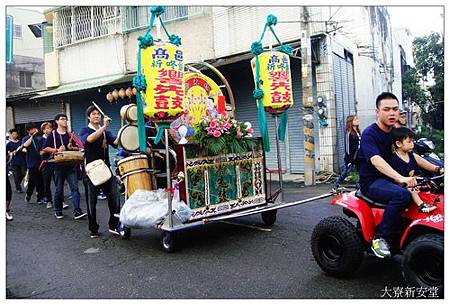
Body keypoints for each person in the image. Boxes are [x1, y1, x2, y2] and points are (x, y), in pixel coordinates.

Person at [357, 92, 417, 259]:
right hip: (373, 182)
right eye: (387, 109)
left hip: (391, 179)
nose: (392, 113)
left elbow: (411, 154)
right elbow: (376, 160)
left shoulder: (395, 132)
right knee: (402, 195)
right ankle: (381, 238)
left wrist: (437, 169)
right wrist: (401, 178)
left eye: (395, 109)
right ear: (378, 112)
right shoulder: (370, 134)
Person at [80, 105, 120, 238]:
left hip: (106, 169)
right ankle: (93, 229)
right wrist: (104, 127)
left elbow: (116, 142)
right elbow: (89, 140)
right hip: (92, 171)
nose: (96, 116)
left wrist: (125, 129)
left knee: (114, 198)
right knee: (92, 201)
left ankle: (114, 225)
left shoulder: (105, 132)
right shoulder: (85, 130)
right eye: (93, 114)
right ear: (88, 117)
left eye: (98, 114)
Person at [42, 114, 87, 220]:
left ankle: (77, 211)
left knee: (75, 188)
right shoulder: (53, 135)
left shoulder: (69, 134)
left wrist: (73, 148)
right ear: (57, 122)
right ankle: (58, 210)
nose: (65, 121)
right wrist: (56, 150)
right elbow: (44, 148)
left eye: (66, 119)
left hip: (70, 165)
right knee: (59, 189)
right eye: (62, 119)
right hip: (58, 166)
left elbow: (80, 147)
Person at [390, 127, 443, 213]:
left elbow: (427, 165)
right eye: (409, 142)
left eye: (413, 141)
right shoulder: (394, 159)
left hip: (414, 183)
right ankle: (422, 206)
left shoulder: (411, 155)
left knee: (430, 185)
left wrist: (439, 169)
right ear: (399, 143)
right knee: (411, 190)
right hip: (402, 186)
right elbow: (396, 178)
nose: (412, 144)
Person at [332, 115, 360, 191]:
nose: (357, 120)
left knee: (360, 171)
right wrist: (349, 160)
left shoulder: (357, 132)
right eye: (355, 119)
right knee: (346, 172)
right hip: (350, 157)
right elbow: (348, 148)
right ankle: (336, 185)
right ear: (351, 122)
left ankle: (359, 186)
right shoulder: (349, 133)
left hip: (358, 156)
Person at [21, 122, 45, 204]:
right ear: (28, 130)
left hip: (40, 162)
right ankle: (29, 194)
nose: (34, 130)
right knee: (32, 181)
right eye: (32, 129)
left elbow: (43, 148)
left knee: (40, 180)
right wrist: (32, 136)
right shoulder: (26, 138)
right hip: (31, 164)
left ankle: (40, 197)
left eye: (34, 128)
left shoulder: (39, 138)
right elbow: (25, 145)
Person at [40, 122, 57, 209]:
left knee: (58, 183)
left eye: (49, 128)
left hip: (55, 162)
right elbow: (41, 152)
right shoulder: (40, 140)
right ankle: (49, 200)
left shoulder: (54, 138)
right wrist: (51, 150)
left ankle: (61, 200)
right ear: (43, 130)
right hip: (46, 164)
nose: (48, 130)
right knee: (46, 184)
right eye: (46, 128)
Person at [6, 128, 27, 193]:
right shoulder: (9, 144)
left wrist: (23, 150)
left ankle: (18, 183)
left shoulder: (21, 142)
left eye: (16, 134)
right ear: (11, 135)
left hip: (22, 161)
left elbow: (24, 149)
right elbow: (7, 152)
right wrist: (11, 153)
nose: (15, 135)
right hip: (14, 162)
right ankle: (18, 188)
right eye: (13, 134)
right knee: (16, 175)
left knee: (24, 173)